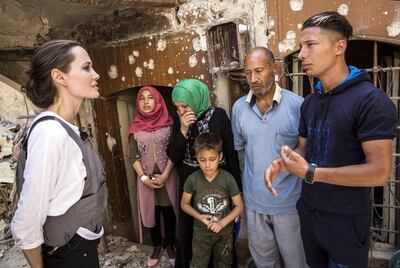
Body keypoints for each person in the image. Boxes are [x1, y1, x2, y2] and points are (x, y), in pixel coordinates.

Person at [264, 11, 397, 268]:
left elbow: (379, 172)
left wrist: (312, 173)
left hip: (346, 220)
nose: (302, 54)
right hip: (310, 213)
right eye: (301, 47)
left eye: (311, 45)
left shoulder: (370, 101)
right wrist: (285, 163)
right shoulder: (311, 102)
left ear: (340, 46)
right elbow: (304, 149)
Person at [11, 40, 107, 268]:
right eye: (86, 67)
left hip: (80, 251)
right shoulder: (51, 133)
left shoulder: (65, 128)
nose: (96, 75)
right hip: (68, 258)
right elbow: (26, 221)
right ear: (60, 77)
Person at [232, 47, 306, 268]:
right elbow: (242, 152)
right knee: (264, 263)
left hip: (290, 205)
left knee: (297, 262)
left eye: (259, 70)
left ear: (274, 68)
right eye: (248, 73)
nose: (253, 79)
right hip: (254, 203)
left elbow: (305, 151)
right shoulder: (239, 109)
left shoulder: (298, 106)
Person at [167, 79, 242, 268]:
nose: (182, 110)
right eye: (178, 107)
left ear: (196, 99)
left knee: (218, 226)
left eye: (185, 105)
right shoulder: (178, 119)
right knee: (189, 230)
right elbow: (173, 155)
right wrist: (183, 129)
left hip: (217, 178)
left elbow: (231, 153)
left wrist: (237, 190)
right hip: (189, 179)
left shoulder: (219, 116)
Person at [128, 85, 178, 267]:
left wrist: (165, 175)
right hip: (145, 179)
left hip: (168, 176)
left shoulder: (170, 123)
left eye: (150, 97)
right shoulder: (134, 128)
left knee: (169, 210)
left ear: (157, 101)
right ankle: (157, 246)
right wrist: (143, 178)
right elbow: (132, 156)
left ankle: (170, 244)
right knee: (152, 212)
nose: (146, 101)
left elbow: (174, 151)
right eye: (142, 98)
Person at [181, 133, 244, 268]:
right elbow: (184, 204)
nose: (207, 165)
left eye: (212, 159)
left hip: (224, 234)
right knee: (198, 264)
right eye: (202, 159)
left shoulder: (228, 179)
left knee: (224, 264)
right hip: (201, 234)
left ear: (220, 157)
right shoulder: (193, 179)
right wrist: (199, 217)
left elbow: (239, 206)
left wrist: (222, 223)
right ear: (197, 157)